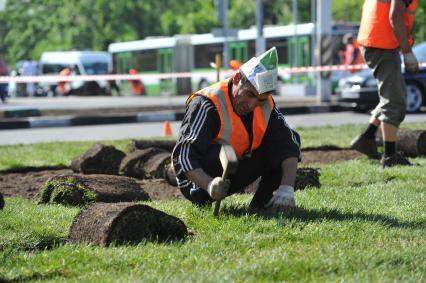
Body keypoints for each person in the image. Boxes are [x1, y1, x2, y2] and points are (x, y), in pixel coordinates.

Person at [172, 47, 301, 213]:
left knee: (290, 139)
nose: (252, 104)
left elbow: (288, 144)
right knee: (223, 151)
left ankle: (263, 203)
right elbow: (184, 157)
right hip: (199, 180)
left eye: (260, 99)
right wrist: (209, 185)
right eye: (249, 94)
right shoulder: (205, 103)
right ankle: (203, 196)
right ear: (238, 78)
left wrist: (287, 188)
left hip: (237, 167)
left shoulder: (265, 104)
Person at [351, 0, 418, 168]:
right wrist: (408, 52)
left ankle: (366, 137)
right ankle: (389, 156)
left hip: (375, 40)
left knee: (392, 95)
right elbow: (395, 16)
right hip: (382, 43)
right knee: (394, 100)